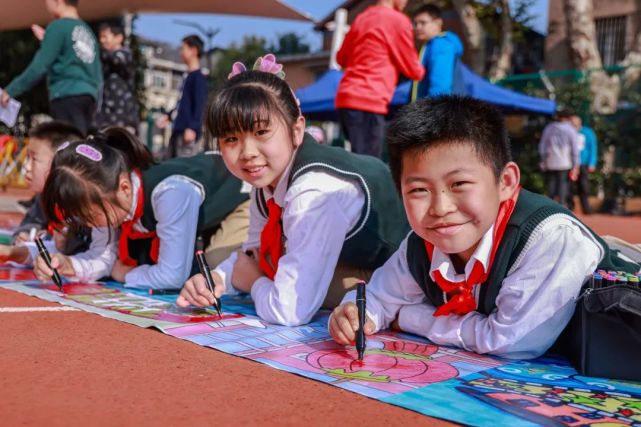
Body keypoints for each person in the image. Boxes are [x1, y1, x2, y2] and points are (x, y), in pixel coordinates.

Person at [329, 96, 639, 359]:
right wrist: (355, 315)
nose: (440, 208)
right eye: (418, 190)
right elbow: (379, 298)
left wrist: (409, 317)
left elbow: (511, 341)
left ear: (505, 182)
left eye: (459, 184)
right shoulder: (421, 243)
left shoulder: (548, 237)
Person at [177, 55, 409, 326]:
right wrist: (214, 279)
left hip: (407, 272)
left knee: (305, 285)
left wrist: (253, 282)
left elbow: (290, 310)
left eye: (262, 132)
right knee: (245, 264)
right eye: (231, 139)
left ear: (296, 130)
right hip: (354, 258)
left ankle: (402, 314)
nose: (248, 153)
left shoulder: (313, 193)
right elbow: (254, 253)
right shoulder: (266, 181)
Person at [32, 127, 249, 289]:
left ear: (125, 187)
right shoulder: (107, 197)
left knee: (211, 273)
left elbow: (173, 276)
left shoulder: (170, 192)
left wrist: (127, 275)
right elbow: (104, 258)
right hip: (208, 213)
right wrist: (68, 264)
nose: (88, 225)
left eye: (88, 216)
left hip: (244, 198)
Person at [335, 0, 425, 158]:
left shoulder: (362, 17)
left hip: (346, 97)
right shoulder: (398, 20)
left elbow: (341, 58)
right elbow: (413, 70)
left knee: (357, 160)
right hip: (370, 99)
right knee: (369, 167)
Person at [0, 0, 102, 136]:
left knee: (69, 146)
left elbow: (40, 66)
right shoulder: (88, 31)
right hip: (89, 98)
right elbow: (96, 72)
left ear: (58, 1)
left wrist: (11, 90)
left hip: (66, 94)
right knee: (80, 142)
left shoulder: (58, 27)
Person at [0, 121, 88, 264]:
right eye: (27, 158)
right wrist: (25, 235)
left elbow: (92, 252)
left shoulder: (84, 203)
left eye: (33, 159)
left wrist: (66, 243)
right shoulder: (43, 198)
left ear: (60, 163)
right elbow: (30, 223)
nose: (27, 167)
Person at [156, 35, 208, 159]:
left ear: (194, 50)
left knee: (184, 167)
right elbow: (182, 104)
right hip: (178, 130)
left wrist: (192, 127)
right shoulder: (187, 76)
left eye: (183, 48)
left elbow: (200, 105)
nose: (181, 52)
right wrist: (169, 116)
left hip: (187, 132)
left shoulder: (198, 78)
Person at [411, 4, 463, 101]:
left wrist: (434, 112)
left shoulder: (440, 45)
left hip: (435, 112)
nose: (418, 27)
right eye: (415, 23)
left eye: (423, 23)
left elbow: (440, 85)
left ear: (438, 23)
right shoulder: (430, 45)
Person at [94, 22, 139, 133]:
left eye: (105, 36)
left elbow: (117, 60)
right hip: (106, 114)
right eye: (100, 37)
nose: (102, 40)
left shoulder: (124, 54)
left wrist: (96, 49)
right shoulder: (105, 59)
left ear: (118, 38)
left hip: (123, 114)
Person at [538, 111, 580, 208]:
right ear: (568, 118)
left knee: (551, 183)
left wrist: (543, 158)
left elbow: (543, 144)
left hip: (551, 160)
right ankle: (561, 204)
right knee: (563, 184)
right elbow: (574, 148)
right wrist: (576, 163)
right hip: (565, 161)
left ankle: (549, 205)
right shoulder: (570, 129)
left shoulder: (549, 128)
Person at [568, 115, 597, 214]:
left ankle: (586, 208)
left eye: (574, 123)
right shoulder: (568, 131)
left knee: (583, 186)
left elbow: (593, 148)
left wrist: (592, 163)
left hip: (583, 163)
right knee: (569, 186)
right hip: (569, 164)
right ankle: (570, 207)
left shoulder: (588, 132)